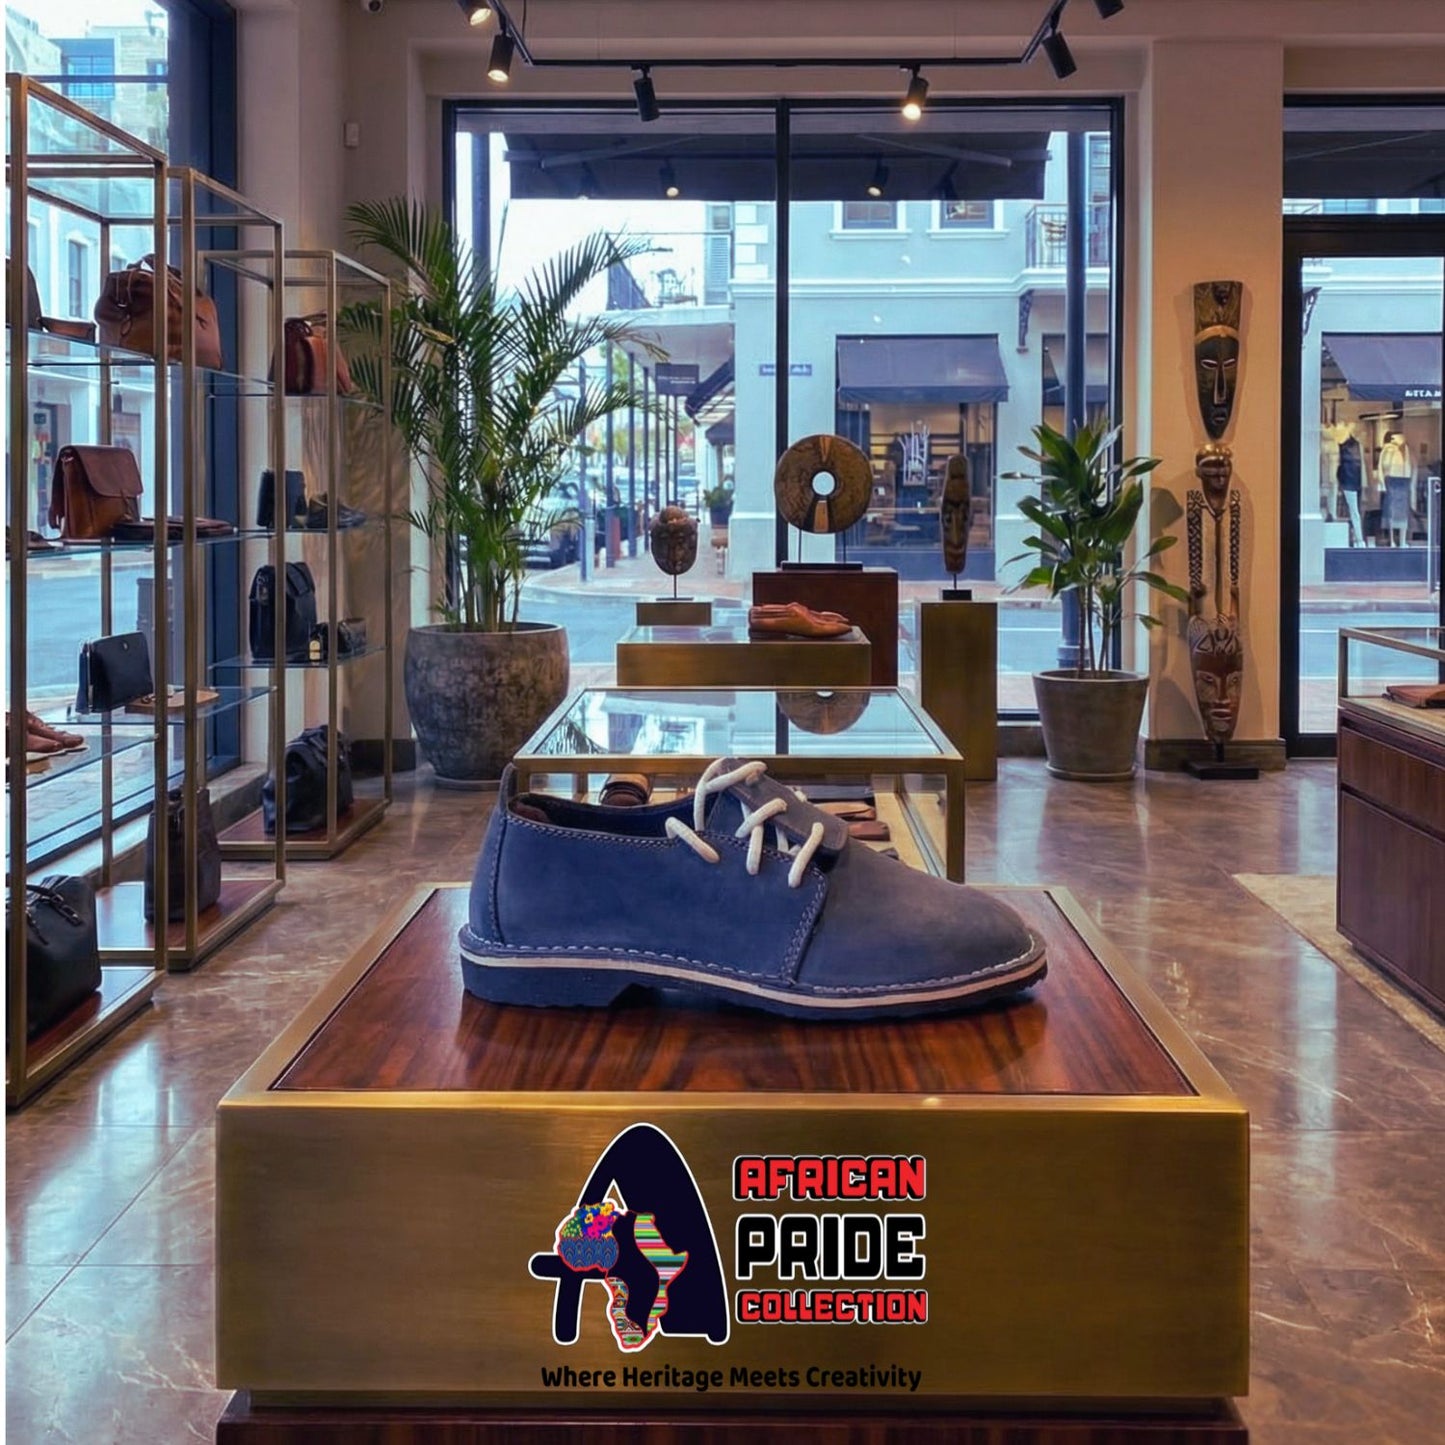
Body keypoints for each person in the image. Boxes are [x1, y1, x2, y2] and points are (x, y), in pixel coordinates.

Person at [1377, 430, 1413, 548]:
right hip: (1394, 481)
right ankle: (1393, 540)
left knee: (1398, 512)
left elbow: (1410, 465)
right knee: (1393, 512)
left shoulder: (1404, 449)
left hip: (1401, 482)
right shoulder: (1388, 451)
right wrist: (1382, 483)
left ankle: (1400, 541)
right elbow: (1381, 468)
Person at [1334, 422, 1365, 547]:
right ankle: (1357, 538)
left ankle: (1359, 539)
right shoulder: (1353, 446)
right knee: (1354, 511)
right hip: (1353, 483)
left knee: (1353, 511)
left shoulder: (1345, 448)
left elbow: (1343, 467)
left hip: (1349, 483)